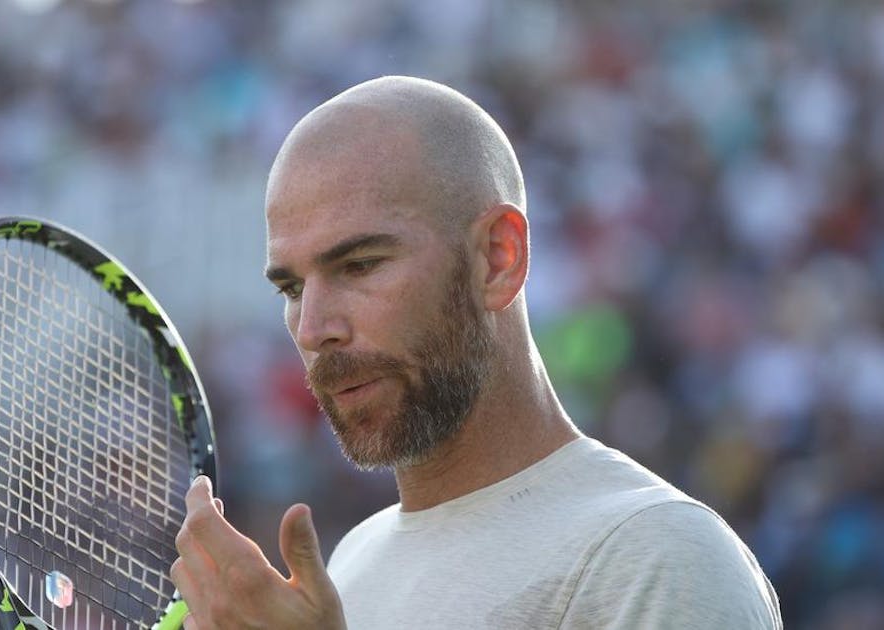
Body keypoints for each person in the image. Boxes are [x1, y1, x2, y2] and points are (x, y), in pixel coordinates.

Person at [169, 75, 783, 629]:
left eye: (360, 265)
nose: (312, 328)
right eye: (292, 287)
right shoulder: (351, 562)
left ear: (498, 258)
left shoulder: (656, 555)